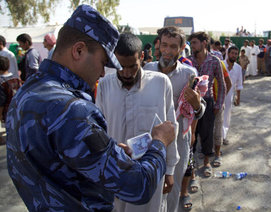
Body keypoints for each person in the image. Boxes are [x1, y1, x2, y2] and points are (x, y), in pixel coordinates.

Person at [6, 5, 175, 211]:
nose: (103, 74)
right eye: (103, 62)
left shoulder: (26, 93)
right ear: (78, 51)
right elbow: (138, 186)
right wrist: (159, 142)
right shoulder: (72, 110)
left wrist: (112, 155)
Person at [96, 33, 179, 212]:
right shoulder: (104, 86)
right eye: (120, 66)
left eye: (132, 66)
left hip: (151, 171)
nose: (126, 73)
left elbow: (170, 128)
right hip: (115, 173)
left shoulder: (160, 83)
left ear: (141, 57)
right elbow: (99, 131)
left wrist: (170, 170)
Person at [144, 26, 205, 212]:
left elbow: (200, 111)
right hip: (151, 140)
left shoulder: (189, 75)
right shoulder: (147, 70)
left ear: (181, 48)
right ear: (158, 45)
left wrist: (196, 104)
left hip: (179, 142)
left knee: (172, 189)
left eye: (172, 46)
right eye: (164, 45)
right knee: (150, 188)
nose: (167, 51)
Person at [188, 32, 226, 178]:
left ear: (204, 43)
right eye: (191, 43)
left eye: (195, 43)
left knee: (207, 133)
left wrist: (218, 104)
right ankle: (190, 169)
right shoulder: (188, 61)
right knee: (191, 136)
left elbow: (222, 85)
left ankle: (206, 162)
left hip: (208, 103)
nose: (192, 46)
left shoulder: (214, 61)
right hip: (191, 103)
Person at [223, 46, 243, 144]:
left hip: (229, 97)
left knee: (226, 117)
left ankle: (223, 137)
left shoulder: (238, 68)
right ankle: (214, 138)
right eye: (232, 53)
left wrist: (238, 98)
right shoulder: (221, 65)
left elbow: (239, 84)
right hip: (218, 95)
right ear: (228, 53)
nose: (234, 55)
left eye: (236, 54)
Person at [0, 56, 22, 126]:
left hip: (7, 111)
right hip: (18, 109)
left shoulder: (1, 82)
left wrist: (0, 115)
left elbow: (1, 102)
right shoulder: (16, 79)